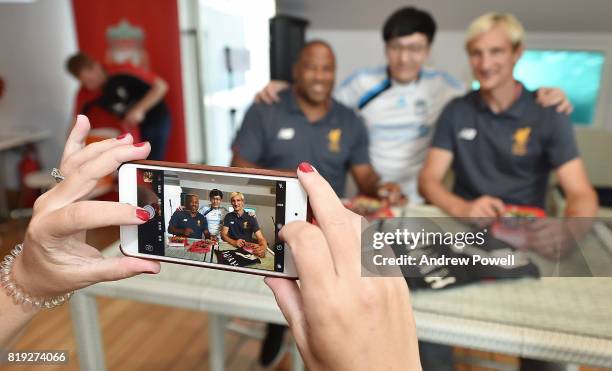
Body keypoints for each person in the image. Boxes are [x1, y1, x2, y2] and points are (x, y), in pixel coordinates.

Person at [2, 116, 422, 371]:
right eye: (227, 197)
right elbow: (210, 234)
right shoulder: (198, 212)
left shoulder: (247, 216)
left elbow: (253, 235)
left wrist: (24, 283)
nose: (231, 201)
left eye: (234, 198)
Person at [418, 13, 598, 370]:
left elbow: (581, 193)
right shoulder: (457, 111)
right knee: (424, 321)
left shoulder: (549, 112)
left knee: (549, 342)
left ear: (517, 53)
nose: (485, 63)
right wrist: (463, 206)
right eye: (477, 53)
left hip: (528, 244)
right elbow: (429, 180)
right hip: (464, 237)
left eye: (496, 52)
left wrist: (567, 230)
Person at [255, 7, 572, 205]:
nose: (405, 58)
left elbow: (491, 91)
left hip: (425, 200)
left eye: (415, 48)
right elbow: (319, 97)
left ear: (428, 50)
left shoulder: (447, 88)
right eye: (396, 47)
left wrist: (547, 95)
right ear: (386, 48)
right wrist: (284, 86)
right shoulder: (361, 85)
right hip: (371, 196)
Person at [233, 40, 404, 366]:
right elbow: (239, 164)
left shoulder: (349, 120)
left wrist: (382, 188)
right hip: (273, 224)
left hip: (327, 227)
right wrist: (294, 185)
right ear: (296, 71)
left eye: (327, 69)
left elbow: (365, 176)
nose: (319, 76)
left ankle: (324, 340)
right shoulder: (265, 109)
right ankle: (276, 325)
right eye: (311, 66)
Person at [66, 52, 171, 160]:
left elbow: (161, 86)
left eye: (90, 80)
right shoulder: (85, 93)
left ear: (96, 66)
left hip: (155, 117)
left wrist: (139, 109)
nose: (89, 85)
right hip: (132, 128)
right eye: (85, 82)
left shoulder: (122, 70)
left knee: (153, 162)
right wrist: (70, 151)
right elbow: (75, 124)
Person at [221, 192, 268, 258]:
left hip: (247, 250)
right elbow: (223, 234)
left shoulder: (251, 217)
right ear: (231, 203)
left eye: (238, 200)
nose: (236, 203)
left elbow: (260, 238)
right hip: (231, 247)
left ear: (243, 202)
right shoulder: (228, 216)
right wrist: (234, 242)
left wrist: (263, 247)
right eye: (233, 201)